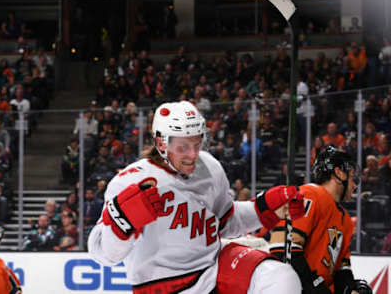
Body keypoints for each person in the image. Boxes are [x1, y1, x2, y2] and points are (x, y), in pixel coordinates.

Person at [88, 100, 305, 293]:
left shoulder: (209, 165)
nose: (193, 155)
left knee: (280, 277)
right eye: (183, 146)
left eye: (197, 143)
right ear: (162, 143)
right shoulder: (130, 181)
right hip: (161, 285)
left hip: (214, 267)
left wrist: (264, 207)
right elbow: (103, 255)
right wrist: (122, 225)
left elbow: (226, 220)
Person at [269, 146, 371, 294]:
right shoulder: (308, 195)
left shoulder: (346, 221)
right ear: (339, 173)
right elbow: (283, 249)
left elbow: (341, 269)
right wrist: (314, 286)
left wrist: (350, 290)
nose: (355, 185)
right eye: (352, 177)